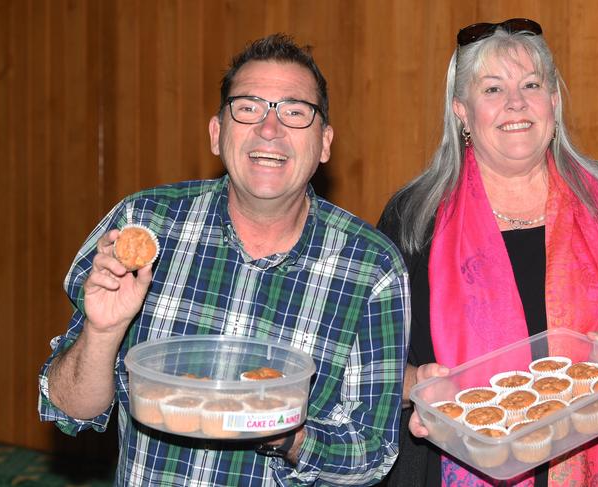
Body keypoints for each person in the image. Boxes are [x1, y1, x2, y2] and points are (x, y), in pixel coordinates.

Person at [38, 33, 410, 486]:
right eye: (248, 108)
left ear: (325, 143)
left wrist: (287, 437)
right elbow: (68, 408)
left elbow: (373, 453)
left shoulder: (371, 267)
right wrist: (102, 332)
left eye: (295, 112)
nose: (269, 130)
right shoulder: (145, 225)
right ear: (217, 134)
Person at [377, 18, 598, 487]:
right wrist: (416, 386)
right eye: (493, 89)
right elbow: (370, 363)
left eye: (531, 84)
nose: (516, 103)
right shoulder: (413, 220)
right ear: (461, 110)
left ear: (554, 102)